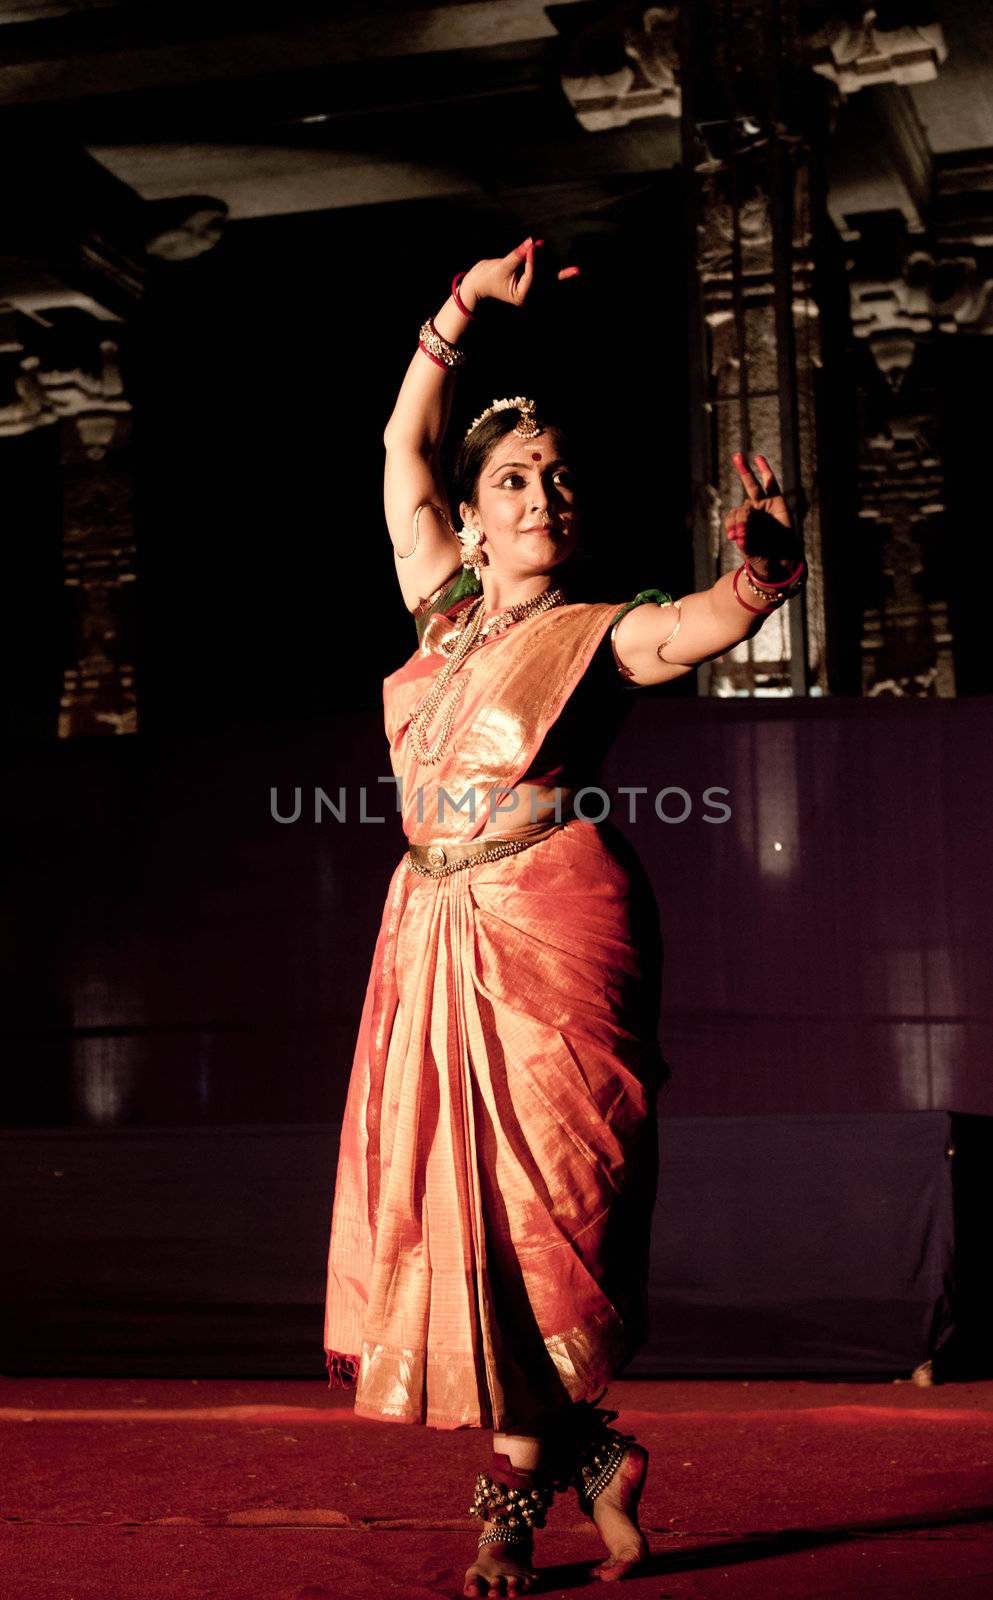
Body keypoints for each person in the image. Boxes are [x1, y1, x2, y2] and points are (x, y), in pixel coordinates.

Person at [324, 238, 806, 1597]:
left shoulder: (599, 630)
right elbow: (398, 446)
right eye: (513, 481)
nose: (542, 494)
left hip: (550, 922)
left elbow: (700, 624)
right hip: (427, 930)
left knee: (550, 1219)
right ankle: (588, 1457)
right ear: (471, 520)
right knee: (460, 1212)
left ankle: (509, 1500)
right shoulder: (441, 609)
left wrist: (759, 576)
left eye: (556, 479)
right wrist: (461, 309)